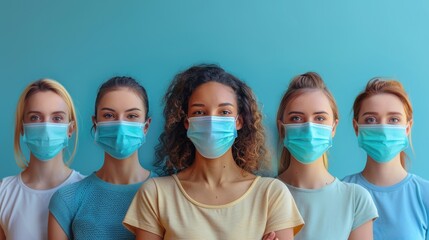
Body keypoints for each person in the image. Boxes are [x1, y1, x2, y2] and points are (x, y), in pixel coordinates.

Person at [123, 64, 304, 240]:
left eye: (224, 112)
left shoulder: (271, 195)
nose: (211, 121)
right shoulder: (155, 194)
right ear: (187, 122)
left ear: (238, 121)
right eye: (200, 112)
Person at [48, 76, 155, 240]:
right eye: (109, 115)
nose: (120, 125)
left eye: (132, 116)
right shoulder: (68, 199)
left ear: (146, 126)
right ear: (95, 123)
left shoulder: (166, 194)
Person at [276, 72, 378, 240]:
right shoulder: (263, 194)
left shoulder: (355, 199)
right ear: (282, 129)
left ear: (333, 128)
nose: (309, 128)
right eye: (296, 118)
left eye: (320, 118)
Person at [343, 78, 429, 239]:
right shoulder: (341, 192)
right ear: (356, 128)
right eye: (371, 120)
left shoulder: (425, 194)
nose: (383, 128)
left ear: (407, 128)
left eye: (394, 119)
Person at [0, 79, 84, 240]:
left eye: (57, 118)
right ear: (22, 127)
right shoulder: (3, 194)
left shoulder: (86, 191)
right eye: (35, 118)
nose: (46, 127)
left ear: (70, 129)